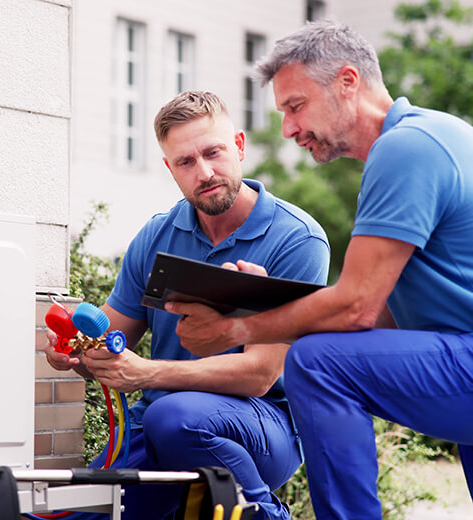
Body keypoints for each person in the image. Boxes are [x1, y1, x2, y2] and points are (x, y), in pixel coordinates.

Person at [166, 22, 473, 520]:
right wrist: (270, 302)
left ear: (347, 82)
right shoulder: (435, 135)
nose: (288, 128)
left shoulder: (406, 148)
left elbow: (356, 308)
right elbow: (384, 320)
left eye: (295, 105)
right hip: (458, 353)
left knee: (317, 362)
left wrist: (235, 329)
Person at [46, 90, 330, 520]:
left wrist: (147, 373)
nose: (205, 172)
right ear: (170, 169)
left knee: (174, 415)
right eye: (185, 162)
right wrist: (78, 353)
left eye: (213, 153)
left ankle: (267, 515)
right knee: (77, 514)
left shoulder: (296, 241)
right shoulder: (156, 236)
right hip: (155, 424)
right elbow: (108, 342)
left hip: (266, 425)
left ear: (238, 145)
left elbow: (260, 374)